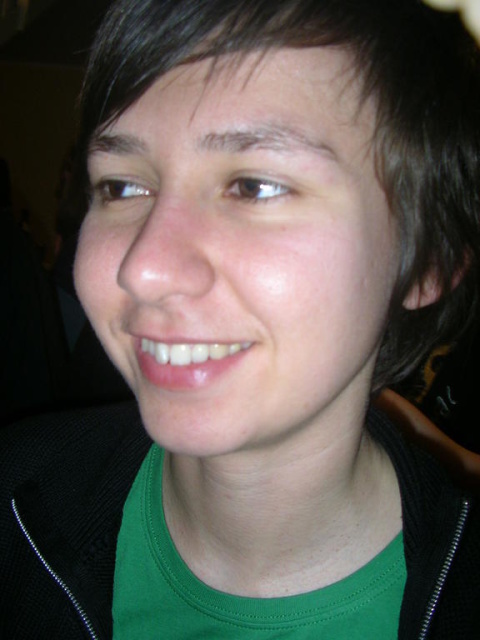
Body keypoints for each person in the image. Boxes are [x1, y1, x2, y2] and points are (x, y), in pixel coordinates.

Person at [1, 0, 479, 638]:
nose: (144, 268)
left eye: (254, 186)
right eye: (121, 187)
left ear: (428, 262)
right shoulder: (12, 495)